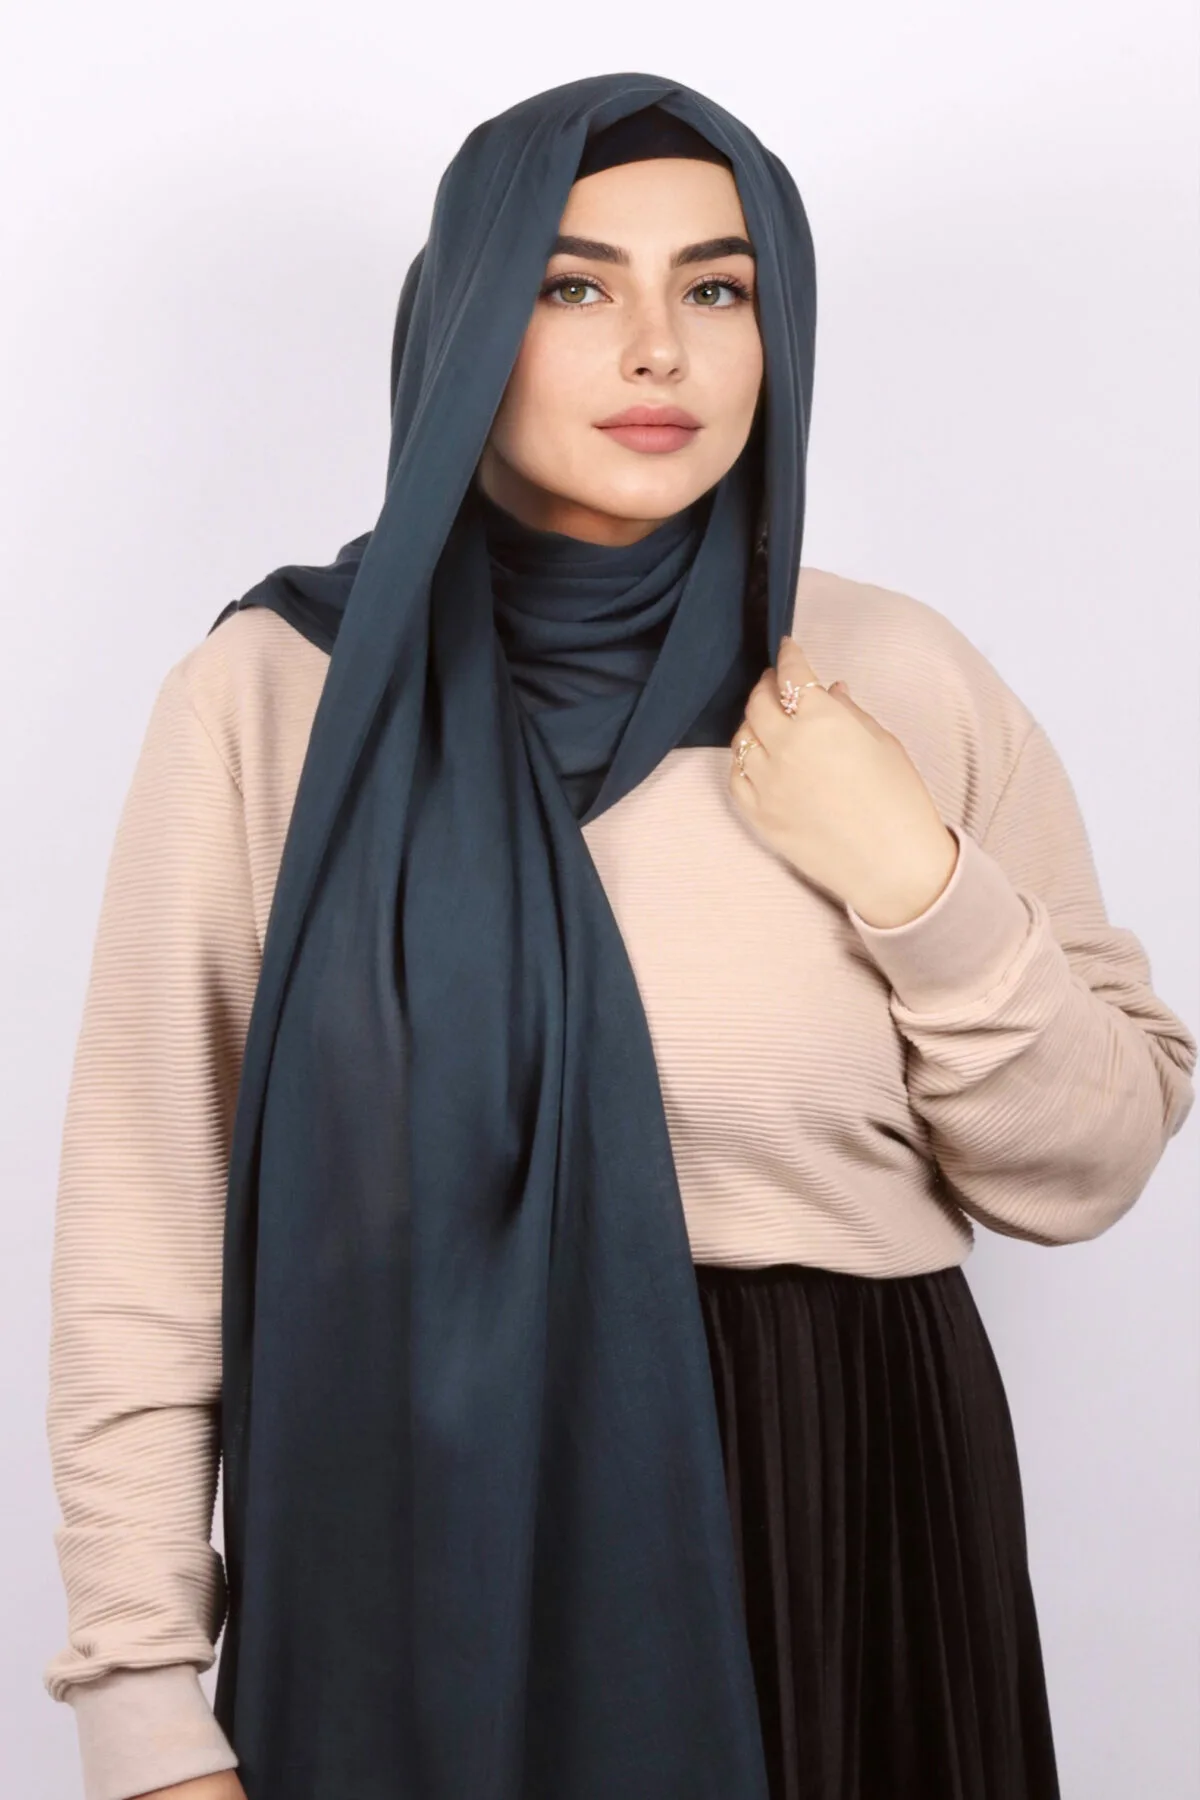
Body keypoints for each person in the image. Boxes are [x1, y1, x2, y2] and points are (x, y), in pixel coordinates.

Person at [43, 73, 1196, 1800]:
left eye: (718, 288)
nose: (659, 349)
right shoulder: (279, 701)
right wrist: (140, 1703)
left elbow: (1087, 1165)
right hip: (416, 1543)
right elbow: (148, 1218)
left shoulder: (892, 676)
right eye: (573, 284)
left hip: (842, 1529)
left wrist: (915, 876)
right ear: (466, 322)